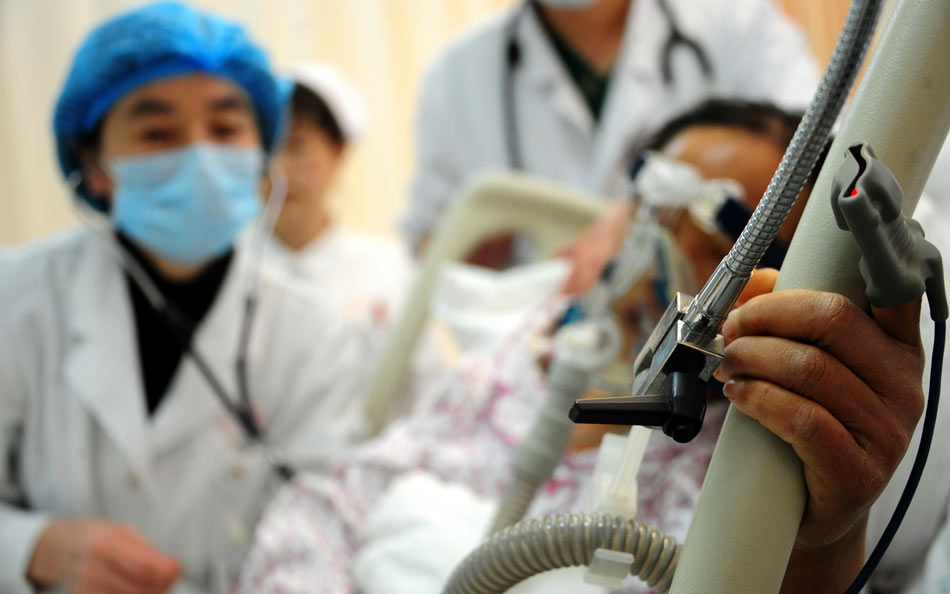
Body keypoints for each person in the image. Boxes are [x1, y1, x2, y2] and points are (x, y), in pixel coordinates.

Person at [237, 100, 932, 593]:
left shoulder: (747, 450)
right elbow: (340, 498)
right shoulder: (527, 346)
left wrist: (825, 544)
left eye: (725, 234)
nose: (666, 247)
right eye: (652, 208)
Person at [0, 3, 371, 593]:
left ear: (259, 156)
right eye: (157, 132)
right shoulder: (16, 298)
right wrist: (28, 548)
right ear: (94, 166)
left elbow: (330, 519)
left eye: (226, 129)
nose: (199, 154)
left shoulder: (315, 332)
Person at [402, 0, 819, 263]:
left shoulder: (733, 18)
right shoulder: (456, 75)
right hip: (557, 353)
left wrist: (643, 216)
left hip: (723, 338)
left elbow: (819, 153)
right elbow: (432, 239)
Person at [261, 64, 444, 406]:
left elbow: (428, 393)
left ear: (338, 150)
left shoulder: (391, 269)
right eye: (265, 151)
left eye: (297, 147)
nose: (279, 170)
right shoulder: (229, 273)